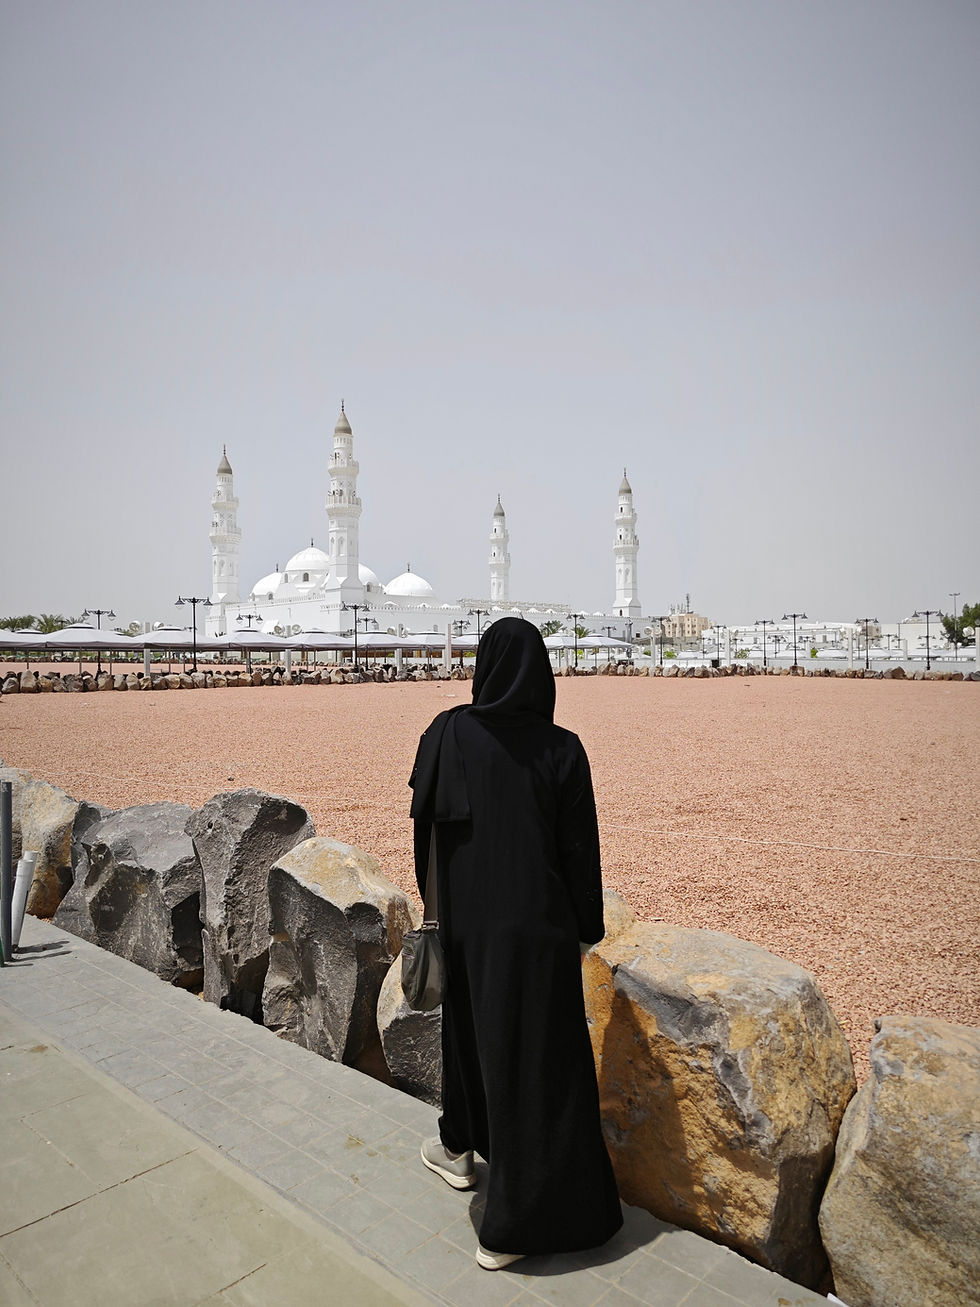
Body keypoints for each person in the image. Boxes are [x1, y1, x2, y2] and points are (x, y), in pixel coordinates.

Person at [409, 617, 622, 1271]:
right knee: (535, 1066)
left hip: (465, 924)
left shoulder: (447, 732)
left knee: (468, 1036)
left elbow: (426, 833)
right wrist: (585, 929)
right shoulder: (562, 749)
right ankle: (511, 1226)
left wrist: (443, 912)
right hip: (535, 933)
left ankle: (459, 1148)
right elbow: (579, 852)